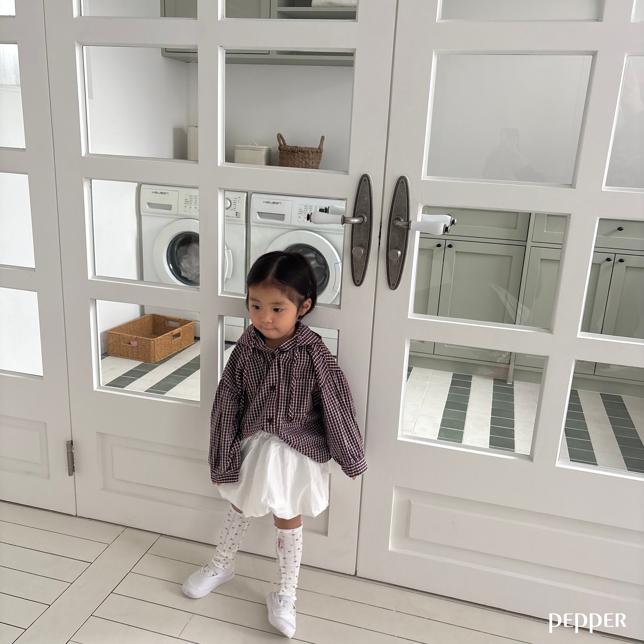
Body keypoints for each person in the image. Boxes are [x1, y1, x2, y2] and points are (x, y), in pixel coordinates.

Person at [182, 251, 367, 638]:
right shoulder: (246, 349)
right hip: (256, 445)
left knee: (288, 516)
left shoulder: (314, 353)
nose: (264, 317)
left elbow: (335, 403)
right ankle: (222, 563)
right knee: (240, 504)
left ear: (303, 307)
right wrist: (222, 458)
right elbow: (227, 403)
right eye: (255, 306)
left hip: (296, 452)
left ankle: (285, 592)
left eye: (277, 308)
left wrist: (350, 457)